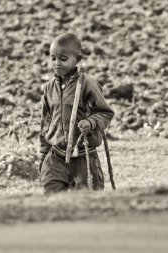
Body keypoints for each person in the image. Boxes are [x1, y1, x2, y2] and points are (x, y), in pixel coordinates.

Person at [39, 33, 114, 193]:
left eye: (63, 59)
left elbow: (105, 113)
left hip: (83, 156)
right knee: (52, 201)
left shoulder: (88, 84)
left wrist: (91, 122)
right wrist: (43, 154)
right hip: (55, 157)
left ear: (77, 60)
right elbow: (46, 121)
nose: (57, 63)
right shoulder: (49, 87)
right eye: (53, 58)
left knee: (86, 204)